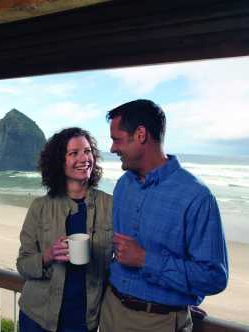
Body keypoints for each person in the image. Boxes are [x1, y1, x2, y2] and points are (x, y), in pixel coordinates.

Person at [100, 100, 229, 332]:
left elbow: (214, 277)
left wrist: (144, 259)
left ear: (140, 135)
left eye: (116, 139)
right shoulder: (122, 185)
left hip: (159, 323)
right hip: (110, 312)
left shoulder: (197, 196)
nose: (112, 149)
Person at [17, 127, 113, 332]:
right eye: (74, 153)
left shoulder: (111, 206)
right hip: (37, 317)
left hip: (83, 321)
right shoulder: (40, 207)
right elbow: (23, 264)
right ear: (59, 162)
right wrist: (48, 256)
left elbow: (122, 261)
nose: (84, 158)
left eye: (87, 151)